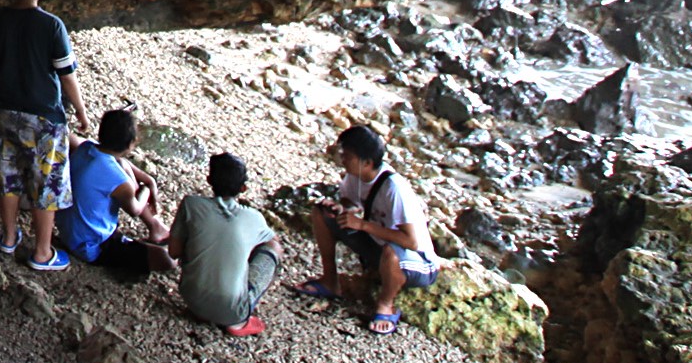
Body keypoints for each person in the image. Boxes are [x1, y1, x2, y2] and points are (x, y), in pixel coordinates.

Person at [0, 0, 90, 272]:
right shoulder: (52, 26)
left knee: (8, 176)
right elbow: (66, 74)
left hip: (7, 109)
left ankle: (8, 238)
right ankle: (41, 253)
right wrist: (81, 112)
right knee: (46, 183)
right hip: (44, 117)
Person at [296, 124, 439, 335]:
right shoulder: (356, 176)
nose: (342, 159)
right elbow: (350, 200)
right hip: (378, 247)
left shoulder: (394, 189)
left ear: (368, 162)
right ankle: (330, 281)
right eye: (342, 153)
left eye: (348, 155)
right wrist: (343, 209)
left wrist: (362, 225)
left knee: (391, 254)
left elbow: (410, 242)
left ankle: (386, 305)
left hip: (418, 262)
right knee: (321, 212)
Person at [169, 152, 280, 335]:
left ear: (209, 180)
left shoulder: (191, 204)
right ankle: (238, 322)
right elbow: (273, 241)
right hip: (231, 311)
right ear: (243, 188)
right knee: (273, 248)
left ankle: (206, 308)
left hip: (191, 298)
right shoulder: (253, 218)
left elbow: (174, 252)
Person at [64, 109, 171, 277]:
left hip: (68, 230)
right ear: (131, 144)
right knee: (166, 260)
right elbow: (135, 210)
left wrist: (148, 179)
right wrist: (145, 190)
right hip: (91, 246)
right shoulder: (119, 181)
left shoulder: (84, 147)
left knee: (122, 164)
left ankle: (155, 228)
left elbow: (120, 161)